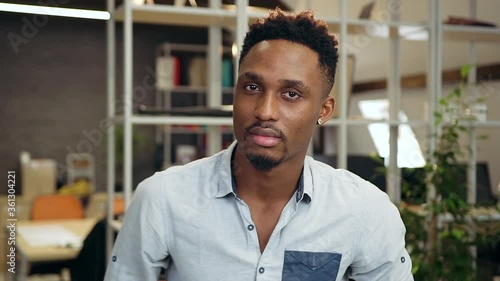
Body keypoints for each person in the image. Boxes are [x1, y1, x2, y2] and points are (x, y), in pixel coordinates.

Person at [104, 8, 414, 281]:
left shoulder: (365, 211)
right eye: (252, 87)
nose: (265, 111)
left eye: (291, 94)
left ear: (324, 110)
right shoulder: (162, 199)